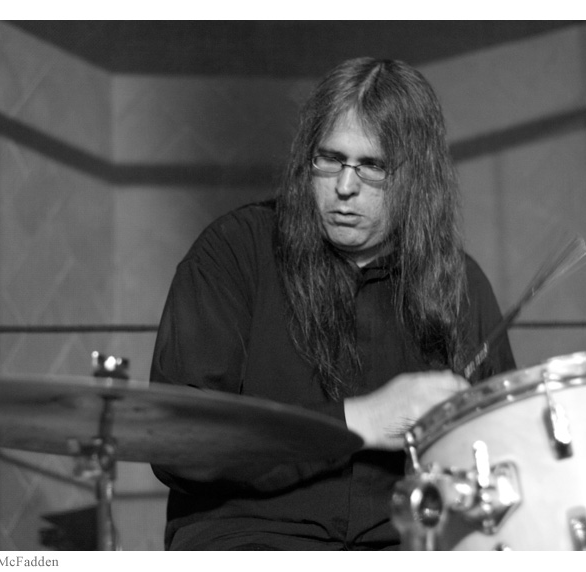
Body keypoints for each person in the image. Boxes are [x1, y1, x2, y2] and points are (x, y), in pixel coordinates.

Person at [149, 57, 516, 550]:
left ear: (417, 178)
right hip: (251, 541)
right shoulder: (233, 252)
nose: (345, 187)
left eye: (373, 167)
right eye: (331, 160)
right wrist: (358, 421)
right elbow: (178, 444)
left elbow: (504, 457)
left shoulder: (460, 283)